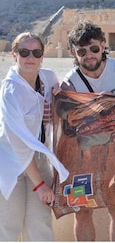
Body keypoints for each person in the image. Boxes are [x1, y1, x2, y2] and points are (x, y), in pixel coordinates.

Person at [60, 20, 115, 241]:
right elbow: (67, 123)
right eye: (82, 51)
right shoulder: (70, 82)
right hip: (82, 158)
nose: (89, 55)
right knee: (83, 212)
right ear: (74, 53)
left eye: (94, 48)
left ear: (103, 45)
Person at [0, 32, 69, 240]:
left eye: (36, 52)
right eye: (24, 52)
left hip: (38, 158)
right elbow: (19, 143)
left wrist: (60, 95)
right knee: (8, 225)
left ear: (42, 56)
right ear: (14, 54)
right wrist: (40, 185)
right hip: (11, 161)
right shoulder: (10, 91)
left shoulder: (47, 78)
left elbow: (60, 102)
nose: (30, 58)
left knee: (40, 223)